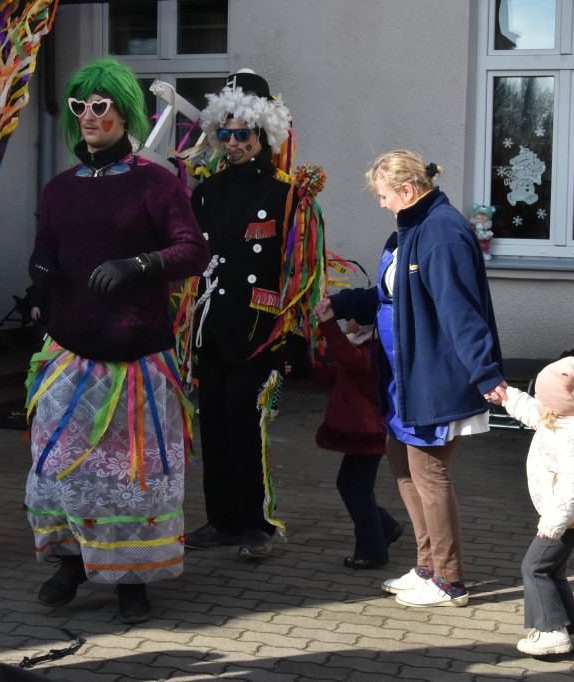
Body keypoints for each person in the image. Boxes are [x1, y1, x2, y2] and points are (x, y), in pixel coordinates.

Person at [24, 58, 209, 624]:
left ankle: (133, 581)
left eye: (100, 105)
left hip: (136, 359)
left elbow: (193, 249)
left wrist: (140, 264)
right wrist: (41, 270)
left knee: (134, 475)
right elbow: (47, 247)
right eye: (79, 106)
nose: (88, 116)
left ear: (125, 112)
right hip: (70, 353)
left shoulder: (155, 183)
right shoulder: (59, 189)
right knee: (64, 468)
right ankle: (75, 564)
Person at [323, 150, 507, 608]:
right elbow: (391, 295)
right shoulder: (407, 229)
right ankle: (427, 567)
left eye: (384, 196)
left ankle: (451, 581)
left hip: (433, 378)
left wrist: (486, 373)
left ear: (407, 191)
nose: (382, 204)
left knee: (430, 475)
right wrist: (344, 304)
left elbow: (460, 311)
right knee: (403, 469)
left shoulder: (441, 232)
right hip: (402, 379)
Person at [184, 69, 326, 560]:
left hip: (260, 332)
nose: (233, 143)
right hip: (212, 330)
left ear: (264, 134)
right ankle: (221, 521)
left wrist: (294, 337)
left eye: (242, 133)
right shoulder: (205, 191)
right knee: (215, 424)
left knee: (247, 424)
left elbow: (301, 269)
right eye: (224, 133)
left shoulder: (287, 195)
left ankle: (258, 525)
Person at [493, 351, 574, 656]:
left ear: (559, 405)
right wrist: (507, 396)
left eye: (544, 399)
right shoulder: (572, 415)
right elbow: (536, 412)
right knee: (553, 573)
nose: (541, 404)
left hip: (566, 520)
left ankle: (550, 632)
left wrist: (551, 526)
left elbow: (571, 489)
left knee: (534, 568)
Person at [305, 304, 402, 569]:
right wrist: (306, 372)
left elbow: (348, 360)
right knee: (349, 484)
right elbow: (341, 371)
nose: (348, 323)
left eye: (353, 320)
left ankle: (372, 551)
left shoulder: (377, 351)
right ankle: (386, 527)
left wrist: (327, 324)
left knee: (358, 489)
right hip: (361, 431)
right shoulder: (364, 347)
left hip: (368, 432)